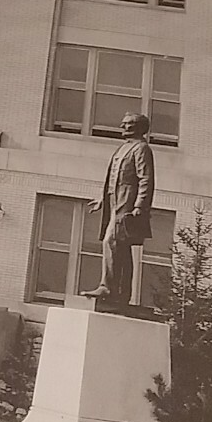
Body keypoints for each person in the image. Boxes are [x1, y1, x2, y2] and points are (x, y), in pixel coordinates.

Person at [85, 112, 156, 309]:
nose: (123, 126)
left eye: (129, 124)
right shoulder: (123, 148)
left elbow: (145, 179)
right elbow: (115, 180)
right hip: (114, 204)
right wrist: (103, 199)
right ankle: (121, 294)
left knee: (112, 241)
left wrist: (140, 206)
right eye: (123, 123)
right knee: (121, 248)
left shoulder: (142, 149)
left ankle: (108, 287)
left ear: (140, 127)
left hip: (127, 206)